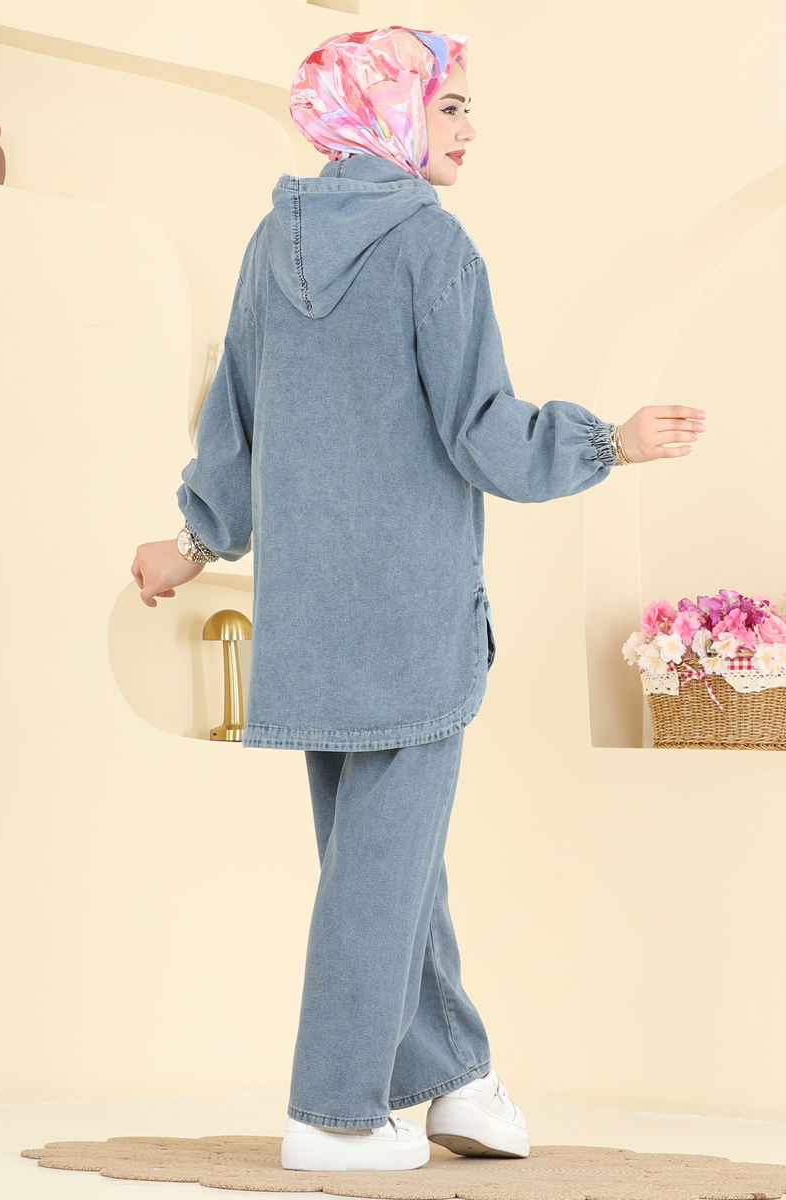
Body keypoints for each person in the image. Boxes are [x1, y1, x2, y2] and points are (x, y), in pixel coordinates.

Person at [131, 25, 707, 1173]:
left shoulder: (271, 241)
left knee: (391, 864)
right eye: (449, 107)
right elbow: (483, 433)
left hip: (308, 626)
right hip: (408, 618)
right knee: (381, 872)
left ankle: (455, 1082)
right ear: (388, 113)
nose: (469, 129)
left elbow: (232, 417)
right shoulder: (432, 247)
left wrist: (192, 541)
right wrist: (611, 442)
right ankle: (334, 1113)